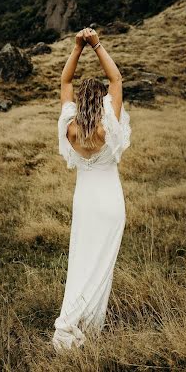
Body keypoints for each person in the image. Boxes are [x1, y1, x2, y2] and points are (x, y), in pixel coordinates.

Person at [52, 27, 131, 352]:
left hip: (84, 201)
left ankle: (75, 322)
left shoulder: (70, 126)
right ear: (101, 99)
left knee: (82, 260)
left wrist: (77, 48)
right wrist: (96, 45)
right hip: (110, 201)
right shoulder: (107, 124)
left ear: (79, 101)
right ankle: (88, 325)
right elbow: (117, 80)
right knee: (102, 263)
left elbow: (65, 82)